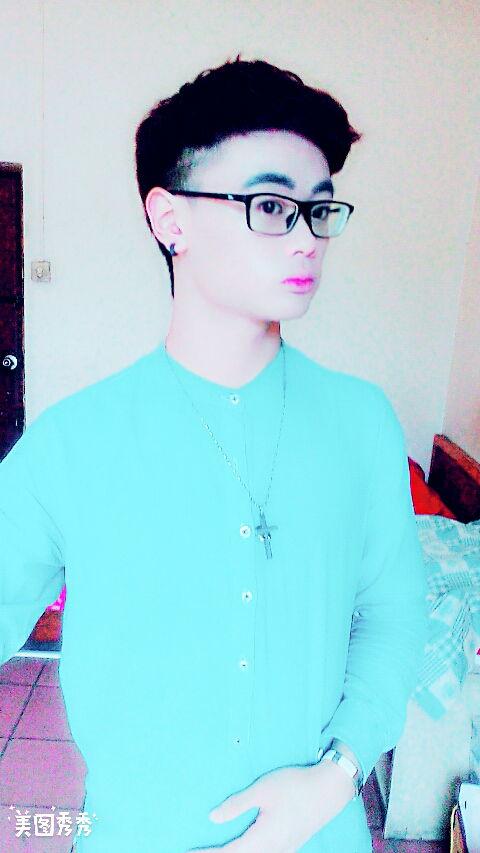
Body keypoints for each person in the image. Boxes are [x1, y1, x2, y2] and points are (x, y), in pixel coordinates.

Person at [0, 57, 428, 852]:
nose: (306, 237)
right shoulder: (74, 441)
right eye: (271, 206)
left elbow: (394, 616)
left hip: (321, 832)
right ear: (171, 220)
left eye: (319, 209)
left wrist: (336, 776)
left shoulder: (361, 421)